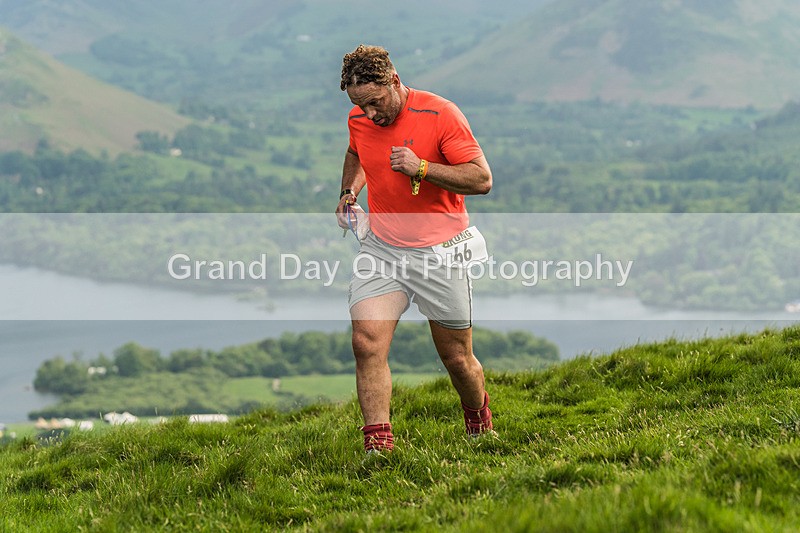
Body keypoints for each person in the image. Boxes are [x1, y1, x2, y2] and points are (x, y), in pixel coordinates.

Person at [335, 44, 494, 454]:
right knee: (365, 341)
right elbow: (356, 152)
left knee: (457, 358)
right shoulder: (359, 118)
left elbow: (481, 179)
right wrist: (349, 194)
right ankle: (379, 447)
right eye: (359, 105)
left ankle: (479, 419)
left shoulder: (440, 114)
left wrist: (421, 167)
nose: (369, 114)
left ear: (394, 80)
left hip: (439, 251)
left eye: (374, 102)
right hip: (383, 249)